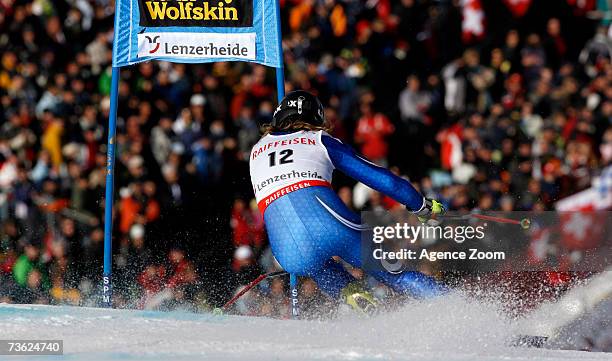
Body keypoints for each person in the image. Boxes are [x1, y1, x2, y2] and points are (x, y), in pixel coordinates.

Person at [249, 90, 446, 313]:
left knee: (317, 266)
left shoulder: (255, 151)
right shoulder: (318, 140)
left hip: (288, 251)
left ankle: (352, 294)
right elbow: (383, 180)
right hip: (332, 227)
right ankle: (455, 308)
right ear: (317, 118)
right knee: (396, 277)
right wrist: (421, 205)